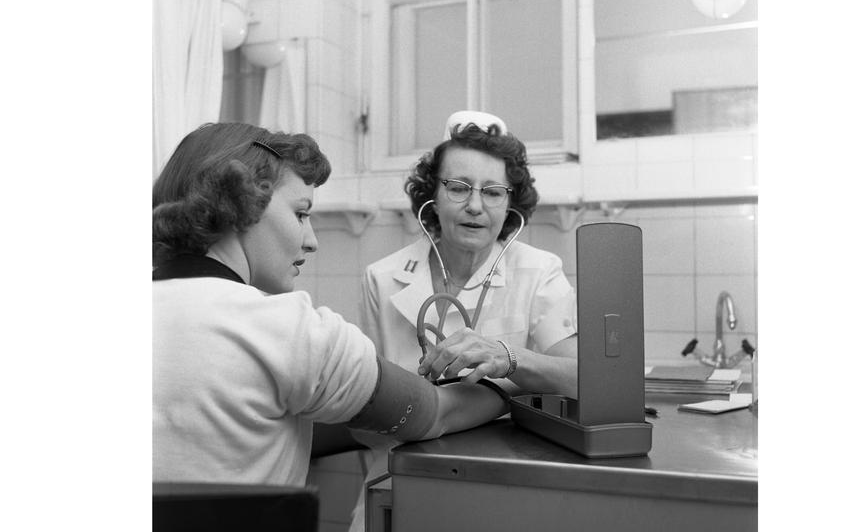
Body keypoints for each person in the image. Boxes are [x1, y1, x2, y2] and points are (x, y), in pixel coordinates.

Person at [152, 122, 510, 487]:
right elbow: (435, 414)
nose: (311, 241)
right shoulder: (289, 329)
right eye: (301, 213)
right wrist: (514, 386)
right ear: (240, 204)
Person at [348, 112, 578, 532]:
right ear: (432, 195)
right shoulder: (382, 279)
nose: (475, 205)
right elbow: (363, 412)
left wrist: (507, 359)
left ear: (510, 204)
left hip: (503, 498)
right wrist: (496, 399)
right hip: (396, 489)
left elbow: (582, 379)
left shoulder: (538, 271)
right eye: (458, 187)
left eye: (492, 191)